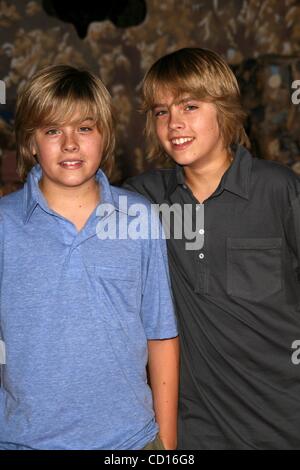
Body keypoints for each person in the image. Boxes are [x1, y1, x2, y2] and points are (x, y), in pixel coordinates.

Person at [124, 48, 300, 449]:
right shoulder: (145, 201)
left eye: (190, 106)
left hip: (284, 421)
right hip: (197, 428)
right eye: (161, 111)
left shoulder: (279, 190)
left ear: (223, 109)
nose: (174, 123)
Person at [0, 65, 179, 450]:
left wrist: (166, 444)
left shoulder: (139, 218)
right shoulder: (4, 225)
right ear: (30, 143)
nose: (69, 143)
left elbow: (161, 335)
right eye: (52, 130)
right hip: (24, 441)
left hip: (130, 442)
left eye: (84, 128)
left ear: (104, 137)